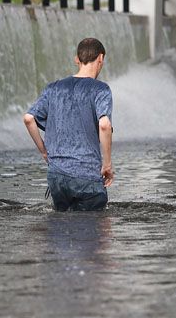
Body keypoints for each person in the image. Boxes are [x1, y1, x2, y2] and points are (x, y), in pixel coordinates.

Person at [23, 38, 114, 211]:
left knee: (60, 230)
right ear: (100, 58)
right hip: (87, 175)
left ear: (77, 59)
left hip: (56, 176)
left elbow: (28, 118)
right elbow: (104, 125)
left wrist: (44, 152)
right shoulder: (100, 89)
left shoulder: (53, 88)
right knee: (93, 232)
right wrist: (107, 165)